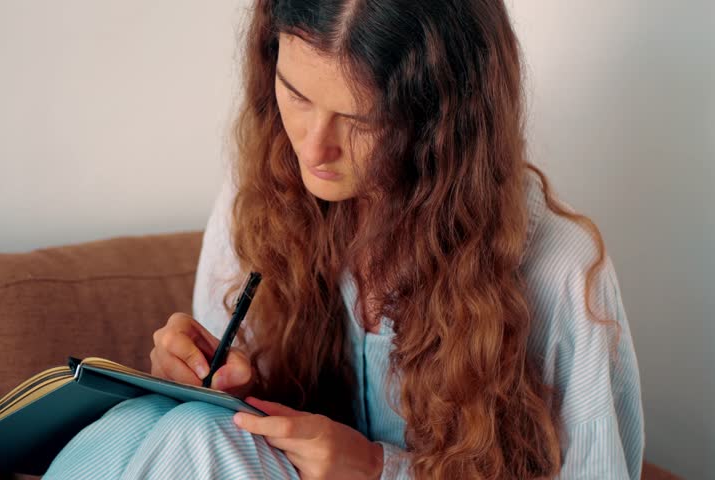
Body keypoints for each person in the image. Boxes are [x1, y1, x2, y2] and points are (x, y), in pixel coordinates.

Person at [43, 0, 644, 478]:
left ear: (443, 121)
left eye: (360, 120)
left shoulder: (557, 269)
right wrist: (216, 381)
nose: (312, 147)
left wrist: (378, 469)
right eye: (297, 96)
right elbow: (222, 422)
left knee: (195, 445)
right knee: (171, 427)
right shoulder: (258, 197)